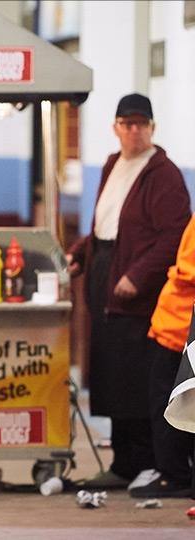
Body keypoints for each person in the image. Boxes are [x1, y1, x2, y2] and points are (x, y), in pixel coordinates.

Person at [67, 93, 190, 489]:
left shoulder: (164, 175)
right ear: (115, 128)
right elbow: (103, 227)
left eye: (141, 124)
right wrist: (80, 255)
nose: (134, 131)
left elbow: (173, 237)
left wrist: (137, 276)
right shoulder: (112, 165)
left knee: (136, 381)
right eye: (127, 124)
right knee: (110, 377)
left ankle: (146, 460)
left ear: (152, 129)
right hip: (105, 280)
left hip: (141, 298)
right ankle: (123, 461)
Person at [128, 213, 195, 498]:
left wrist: (174, 274)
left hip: (179, 326)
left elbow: (188, 270)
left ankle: (174, 475)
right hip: (178, 323)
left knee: (169, 403)